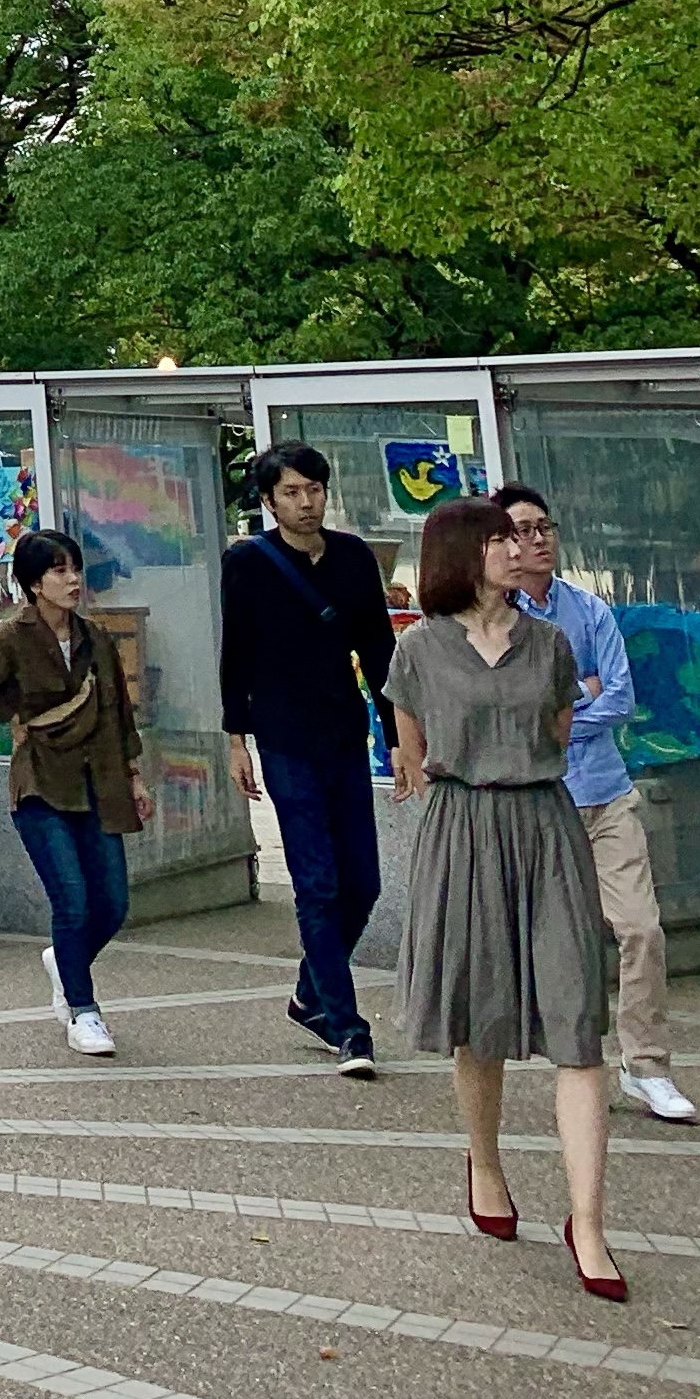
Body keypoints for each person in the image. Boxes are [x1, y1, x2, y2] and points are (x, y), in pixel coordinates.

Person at [387, 493, 623, 1298]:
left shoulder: (550, 642)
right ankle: (484, 1163)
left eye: (522, 537)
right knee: (479, 1016)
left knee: (577, 1019)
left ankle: (587, 1222)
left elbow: (556, 733)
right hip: (462, 833)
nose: (519, 548)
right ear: (465, 553)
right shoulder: (418, 649)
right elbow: (413, 754)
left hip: (546, 829)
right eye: (501, 539)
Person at [500, 481, 697, 1127]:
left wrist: (562, 714)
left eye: (545, 527)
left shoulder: (589, 610)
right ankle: (581, 1064)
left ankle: (648, 1065)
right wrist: (572, 697)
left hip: (606, 793)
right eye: (523, 530)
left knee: (640, 929)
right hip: (542, 802)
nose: (537, 540)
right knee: (567, 943)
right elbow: (511, 716)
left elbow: (618, 697)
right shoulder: (496, 621)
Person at [222, 439, 396, 1079]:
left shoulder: (353, 557)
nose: (306, 502)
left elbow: (379, 650)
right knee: (317, 885)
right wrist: (235, 739)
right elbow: (235, 653)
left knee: (363, 883)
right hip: (282, 738)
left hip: (345, 734)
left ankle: (307, 993)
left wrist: (398, 737)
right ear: (269, 502)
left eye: (314, 490)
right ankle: (348, 1027)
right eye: (291, 492)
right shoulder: (248, 562)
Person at [0, 529, 151, 1057]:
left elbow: (119, 712)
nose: (73, 580)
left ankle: (64, 960)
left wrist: (133, 775)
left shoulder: (95, 638)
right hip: (40, 782)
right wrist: (13, 712)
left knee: (113, 903)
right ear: (35, 583)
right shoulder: (11, 638)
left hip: (98, 780)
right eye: (60, 571)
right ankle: (83, 1011)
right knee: (72, 901)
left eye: (75, 569)